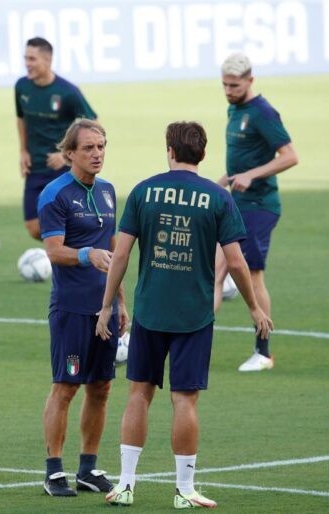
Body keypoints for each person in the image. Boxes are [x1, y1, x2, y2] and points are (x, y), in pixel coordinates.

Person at [96, 122, 273, 508]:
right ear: (204, 155)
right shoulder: (217, 198)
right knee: (185, 401)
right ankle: (184, 490)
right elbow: (238, 263)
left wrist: (107, 304)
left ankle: (126, 485)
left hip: (150, 311)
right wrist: (254, 307)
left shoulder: (144, 191)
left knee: (139, 395)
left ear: (169, 151)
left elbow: (122, 255)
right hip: (194, 316)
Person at [38, 119, 128, 497]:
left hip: (103, 310)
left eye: (101, 146)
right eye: (89, 148)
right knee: (66, 387)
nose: (97, 154)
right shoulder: (55, 195)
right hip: (72, 310)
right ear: (69, 153)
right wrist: (87, 254)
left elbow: (114, 252)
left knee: (102, 387)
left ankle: (88, 469)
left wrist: (121, 302)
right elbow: (54, 251)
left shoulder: (107, 192)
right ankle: (53, 471)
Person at [215, 52, 298, 372]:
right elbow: (241, 156)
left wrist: (252, 175)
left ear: (250, 80)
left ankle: (263, 352)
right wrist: (223, 181)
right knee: (215, 271)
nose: (228, 91)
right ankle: (193, 341)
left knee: (252, 275)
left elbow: (290, 156)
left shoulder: (263, 112)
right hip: (236, 203)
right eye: (224, 85)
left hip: (260, 207)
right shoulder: (233, 109)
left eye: (234, 85)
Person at [15, 37, 98, 240]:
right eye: (26, 58)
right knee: (34, 227)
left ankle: (86, 258)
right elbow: (21, 118)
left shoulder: (68, 92)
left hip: (63, 170)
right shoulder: (22, 87)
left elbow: (94, 128)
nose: (27, 63)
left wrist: (66, 156)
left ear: (47, 60)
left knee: (63, 225)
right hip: (35, 167)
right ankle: (78, 251)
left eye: (32, 59)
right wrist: (23, 150)